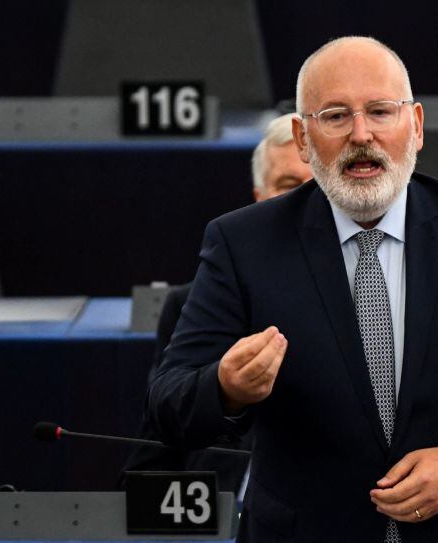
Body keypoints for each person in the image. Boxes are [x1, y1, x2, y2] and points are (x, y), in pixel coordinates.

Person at [148, 36, 438, 542]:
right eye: (336, 116)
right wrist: (226, 389)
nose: (361, 134)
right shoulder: (242, 244)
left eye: (381, 112)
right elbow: (169, 404)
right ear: (302, 138)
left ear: (417, 126)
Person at [120, 114, 312, 489]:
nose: (303, 201)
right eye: (288, 185)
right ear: (259, 200)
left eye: (316, 186)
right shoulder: (191, 305)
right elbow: (151, 462)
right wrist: (221, 391)